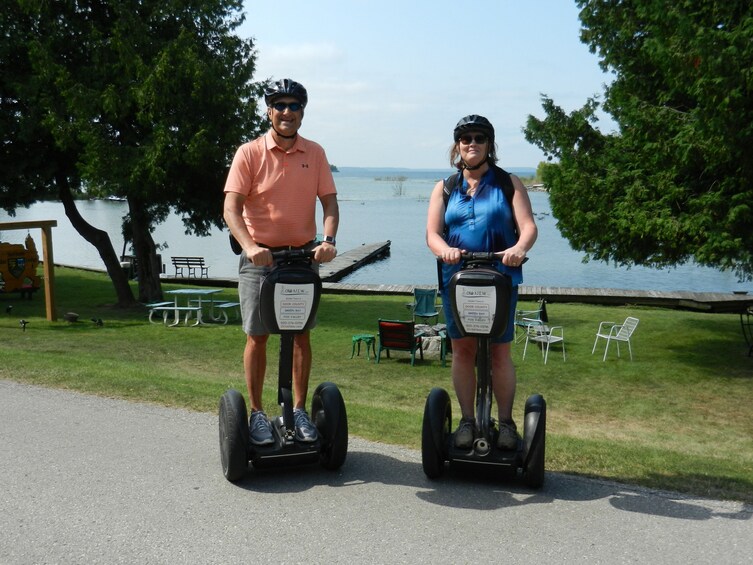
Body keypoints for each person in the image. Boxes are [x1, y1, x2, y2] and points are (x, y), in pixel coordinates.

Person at [223, 79, 339, 446]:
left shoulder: (315, 153)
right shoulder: (249, 152)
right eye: (280, 105)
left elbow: (330, 204)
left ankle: (299, 409)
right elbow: (231, 208)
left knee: (300, 336)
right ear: (269, 111)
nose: (287, 112)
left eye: (294, 106)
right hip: (261, 259)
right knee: (257, 336)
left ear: (302, 111)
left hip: (303, 258)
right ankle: (257, 413)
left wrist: (329, 241)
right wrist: (249, 246)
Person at [426, 114, 538, 450]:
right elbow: (432, 234)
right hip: (457, 281)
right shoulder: (445, 187)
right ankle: (467, 420)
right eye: (465, 139)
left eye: (479, 138)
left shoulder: (508, 183)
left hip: (499, 278)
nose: (471, 144)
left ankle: (505, 424)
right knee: (462, 350)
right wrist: (445, 250)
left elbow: (528, 226)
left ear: (489, 144)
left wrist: (518, 248)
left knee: (500, 353)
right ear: (457, 146)